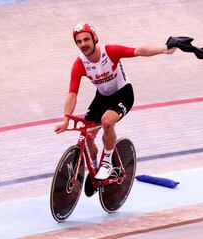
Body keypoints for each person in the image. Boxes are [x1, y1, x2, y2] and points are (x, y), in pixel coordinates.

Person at [55, 23, 176, 180]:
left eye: (86, 39)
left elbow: (138, 51)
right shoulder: (79, 64)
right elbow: (72, 93)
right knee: (87, 136)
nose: (83, 44)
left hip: (123, 94)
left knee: (106, 121)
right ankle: (95, 168)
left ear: (94, 38)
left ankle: (107, 162)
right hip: (102, 97)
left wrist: (165, 49)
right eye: (79, 42)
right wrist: (66, 119)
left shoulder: (110, 51)